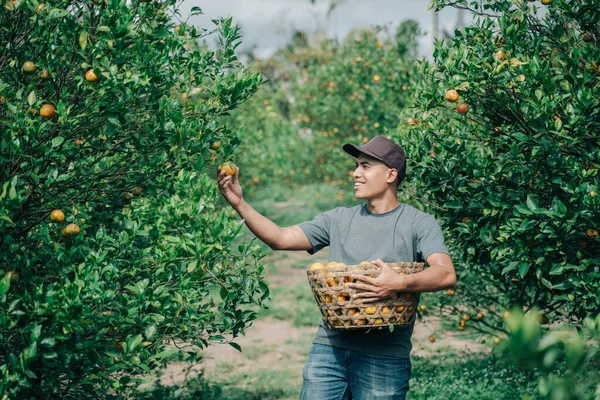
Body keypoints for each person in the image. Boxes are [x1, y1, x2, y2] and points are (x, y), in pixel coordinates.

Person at [217, 135, 456, 400]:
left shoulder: (418, 223)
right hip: (328, 350)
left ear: (390, 175)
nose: (355, 173)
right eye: (356, 166)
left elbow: (445, 272)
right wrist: (238, 202)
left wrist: (399, 283)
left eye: (365, 166)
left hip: (384, 357)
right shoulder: (339, 219)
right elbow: (280, 238)